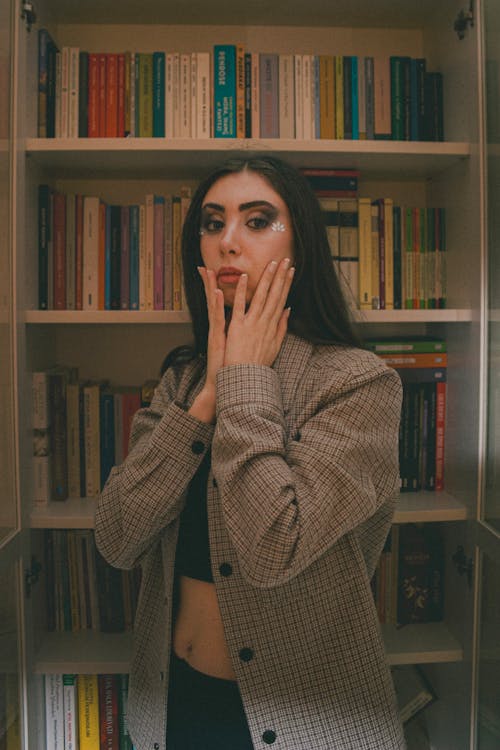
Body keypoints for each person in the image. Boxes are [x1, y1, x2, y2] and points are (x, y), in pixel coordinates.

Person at [95, 156, 406, 750]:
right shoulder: (182, 383)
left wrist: (243, 382)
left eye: (257, 221)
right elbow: (116, 538)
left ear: (303, 244)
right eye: (213, 224)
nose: (228, 242)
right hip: (173, 704)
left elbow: (273, 546)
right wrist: (207, 399)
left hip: (306, 720)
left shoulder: (358, 383)